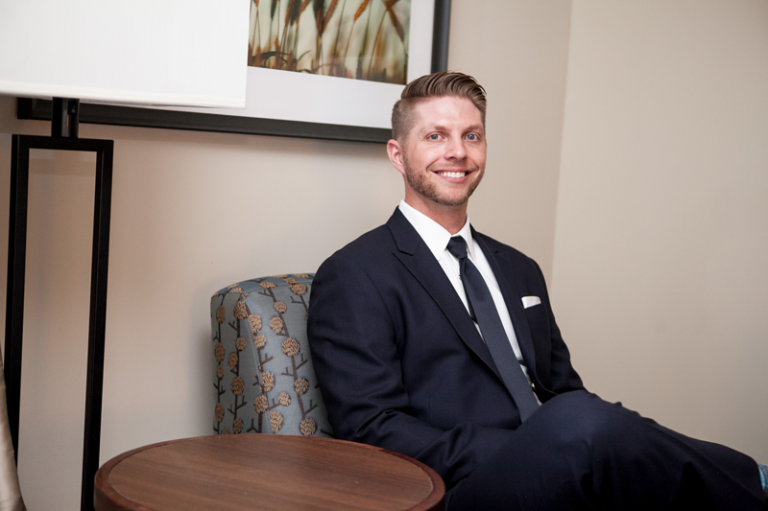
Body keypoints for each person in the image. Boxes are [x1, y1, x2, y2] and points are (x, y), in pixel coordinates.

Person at [306, 71, 768, 510]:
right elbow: (373, 428)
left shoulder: (519, 268)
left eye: (472, 136)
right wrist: (530, 444)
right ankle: (755, 481)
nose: (458, 152)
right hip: (459, 490)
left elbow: (564, 391)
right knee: (581, 420)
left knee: (593, 424)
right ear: (397, 154)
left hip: (561, 463)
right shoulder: (355, 274)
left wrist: (564, 441)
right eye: (435, 136)